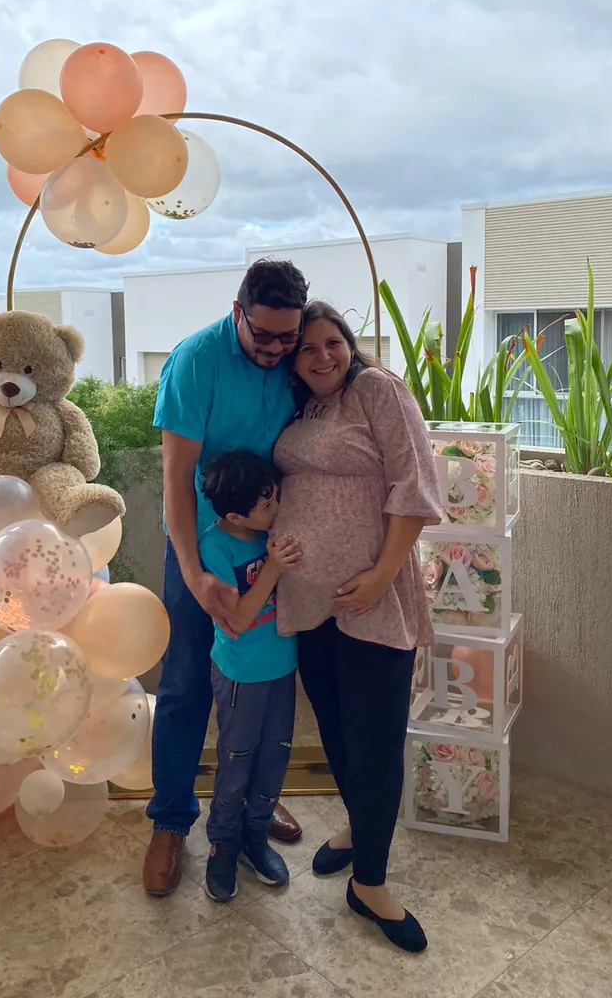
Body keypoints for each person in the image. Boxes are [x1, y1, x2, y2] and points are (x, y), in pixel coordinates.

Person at [273, 301, 443, 954]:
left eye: (332, 342)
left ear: (350, 344)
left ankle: (369, 883)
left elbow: (414, 488)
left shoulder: (376, 390)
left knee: (374, 740)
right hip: (309, 604)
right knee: (338, 732)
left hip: (373, 599)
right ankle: (357, 827)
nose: (322, 356)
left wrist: (380, 575)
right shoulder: (301, 410)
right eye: (307, 348)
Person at [143, 259, 309, 897]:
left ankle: (249, 804)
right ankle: (171, 818)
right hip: (204, 545)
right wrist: (192, 573)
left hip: (270, 542)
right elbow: (175, 479)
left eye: (287, 337)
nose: (275, 349)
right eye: (262, 335)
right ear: (237, 312)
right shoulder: (196, 360)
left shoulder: (293, 354)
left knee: (263, 682)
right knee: (187, 680)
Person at [198, 451, 301, 902]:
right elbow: (237, 619)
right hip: (241, 675)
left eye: (276, 498)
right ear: (236, 516)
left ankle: (255, 838)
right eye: (267, 505)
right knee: (237, 760)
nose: (277, 509)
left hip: (283, 667)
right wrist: (273, 567)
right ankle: (223, 844)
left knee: (275, 758)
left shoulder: (270, 531)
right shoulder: (215, 546)